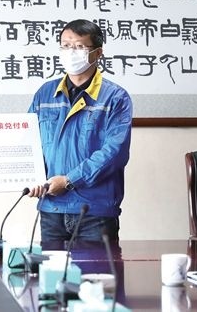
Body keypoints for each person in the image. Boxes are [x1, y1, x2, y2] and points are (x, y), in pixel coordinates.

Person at [27, 19, 133, 245]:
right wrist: (31, 178)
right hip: (51, 209)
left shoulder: (115, 97)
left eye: (79, 47)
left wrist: (69, 180)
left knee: (95, 269)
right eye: (66, 46)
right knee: (50, 269)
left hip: (94, 211)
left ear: (98, 53)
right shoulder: (45, 94)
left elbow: (115, 152)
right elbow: (28, 142)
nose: (71, 53)